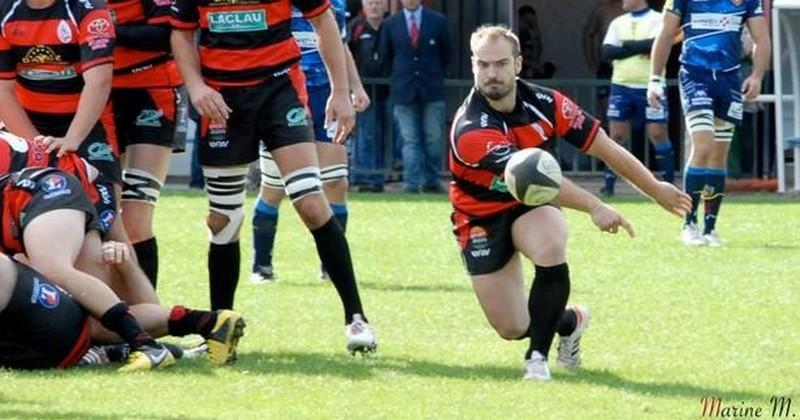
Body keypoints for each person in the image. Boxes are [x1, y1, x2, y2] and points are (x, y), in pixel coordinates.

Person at [449, 26, 691, 381]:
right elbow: (530, 174)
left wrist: (654, 188)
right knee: (512, 326)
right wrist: (595, 206)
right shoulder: (470, 127)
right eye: (483, 65)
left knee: (550, 241)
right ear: (473, 66)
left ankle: (537, 360)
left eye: (500, 64)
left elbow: (605, 148)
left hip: (532, 204)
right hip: (480, 216)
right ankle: (569, 321)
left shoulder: (548, 104)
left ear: (518, 64)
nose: (491, 74)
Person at [170, 0, 377, 353]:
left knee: (311, 203)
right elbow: (181, 34)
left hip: (279, 91)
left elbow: (324, 21)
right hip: (222, 99)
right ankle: (220, 330)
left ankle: (356, 319)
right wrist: (196, 86)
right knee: (222, 220)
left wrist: (340, 92)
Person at [251, 0, 370, 284]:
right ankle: (261, 266)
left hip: (324, 95)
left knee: (336, 182)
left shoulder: (335, 4)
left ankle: (331, 266)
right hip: (284, 93)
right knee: (274, 187)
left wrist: (355, 87)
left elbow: (340, 45)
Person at [648, 0, 770, 246]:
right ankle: (689, 224)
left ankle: (710, 229)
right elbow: (665, 33)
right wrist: (654, 79)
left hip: (729, 80)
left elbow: (762, 39)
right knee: (703, 146)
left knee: (718, 155)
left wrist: (757, 76)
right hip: (695, 77)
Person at [0, 252, 245, 370]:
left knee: (61, 269)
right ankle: (203, 321)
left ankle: (142, 346)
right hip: (56, 305)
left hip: (48, 324)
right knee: (92, 323)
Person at [0, 0, 120, 189]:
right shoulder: (4, 12)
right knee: (15, 197)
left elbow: (99, 82)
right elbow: (2, 89)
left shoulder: (89, 11)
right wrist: (37, 148)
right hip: (27, 120)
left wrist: (73, 139)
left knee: (105, 201)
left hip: (87, 123)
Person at [107, 0, 186, 288]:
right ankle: (109, 307)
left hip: (153, 91)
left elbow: (165, 34)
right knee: (103, 217)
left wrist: (101, 29)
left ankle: (147, 309)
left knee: (134, 220)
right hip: (95, 96)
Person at [600, 0, 675, 196]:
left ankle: (669, 184)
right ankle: (608, 186)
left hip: (651, 86)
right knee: (616, 136)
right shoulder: (617, 22)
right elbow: (607, 51)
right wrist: (640, 47)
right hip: (621, 85)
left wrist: (625, 47)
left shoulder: (659, 19)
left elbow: (656, 45)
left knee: (657, 134)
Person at [379, 0, 449, 193]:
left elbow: (446, 55)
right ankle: (412, 183)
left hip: (432, 89)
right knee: (410, 140)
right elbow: (386, 56)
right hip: (403, 90)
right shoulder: (391, 24)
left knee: (433, 139)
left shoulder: (438, 21)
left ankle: (431, 180)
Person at [348, 0, 390, 192]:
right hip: (363, 92)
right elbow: (347, 55)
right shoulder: (356, 27)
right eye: (370, 3)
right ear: (364, 6)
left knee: (388, 135)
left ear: (385, 6)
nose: (374, 7)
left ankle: (380, 175)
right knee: (366, 134)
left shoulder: (391, 26)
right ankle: (365, 176)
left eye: (378, 3)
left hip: (389, 91)